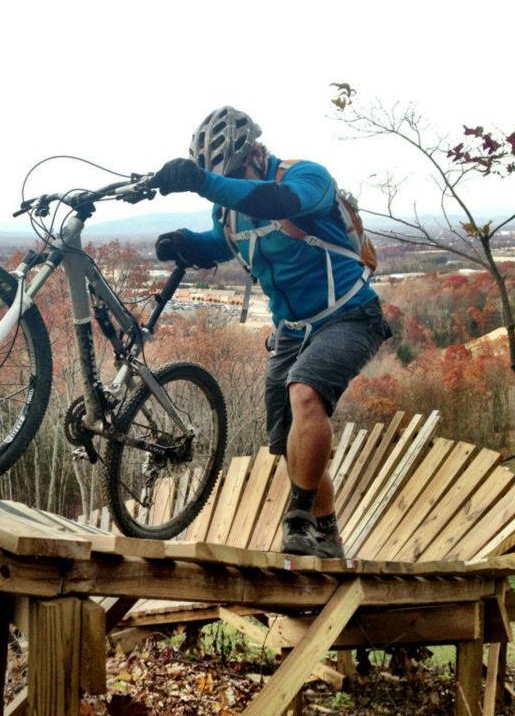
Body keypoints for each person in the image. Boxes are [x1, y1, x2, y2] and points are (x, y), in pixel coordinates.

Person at [149, 106, 392, 558]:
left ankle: (298, 519)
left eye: (233, 175)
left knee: (305, 393)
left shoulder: (308, 178)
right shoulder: (229, 212)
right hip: (291, 332)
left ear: (257, 153)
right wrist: (185, 241)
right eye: (220, 179)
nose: (229, 188)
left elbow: (276, 203)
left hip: (351, 315)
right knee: (288, 443)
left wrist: (202, 181)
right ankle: (328, 534)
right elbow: (223, 243)